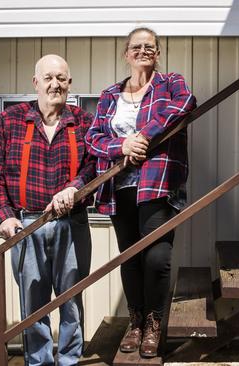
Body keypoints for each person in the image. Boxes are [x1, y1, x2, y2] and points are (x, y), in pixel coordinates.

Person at [85, 27, 196, 358]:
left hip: (158, 185)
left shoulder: (171, 83)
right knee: (130, 258)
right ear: (126, 53)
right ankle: (135, 323)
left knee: (158, 259)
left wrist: (142, 138)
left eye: (150, 46)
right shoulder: (109, 95)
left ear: (158, 53)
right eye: (136, 47)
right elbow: (93, 138)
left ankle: (153, 323)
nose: (143, 51)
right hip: (119, 190)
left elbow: (185, 105)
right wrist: (123, 145)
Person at [0, 54, 96, 366]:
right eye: (48, 78)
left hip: (71, 223)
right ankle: (40, 361)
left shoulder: (83, 121)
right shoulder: (11, 120)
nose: (54, 84)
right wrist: (3, 217)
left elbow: (94, 166)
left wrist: (76, 186)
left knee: (71, 298)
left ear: (69, 84)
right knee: (32, 302)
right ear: (35, 83)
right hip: (26, 224)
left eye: (61, 78)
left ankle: (70, 360)